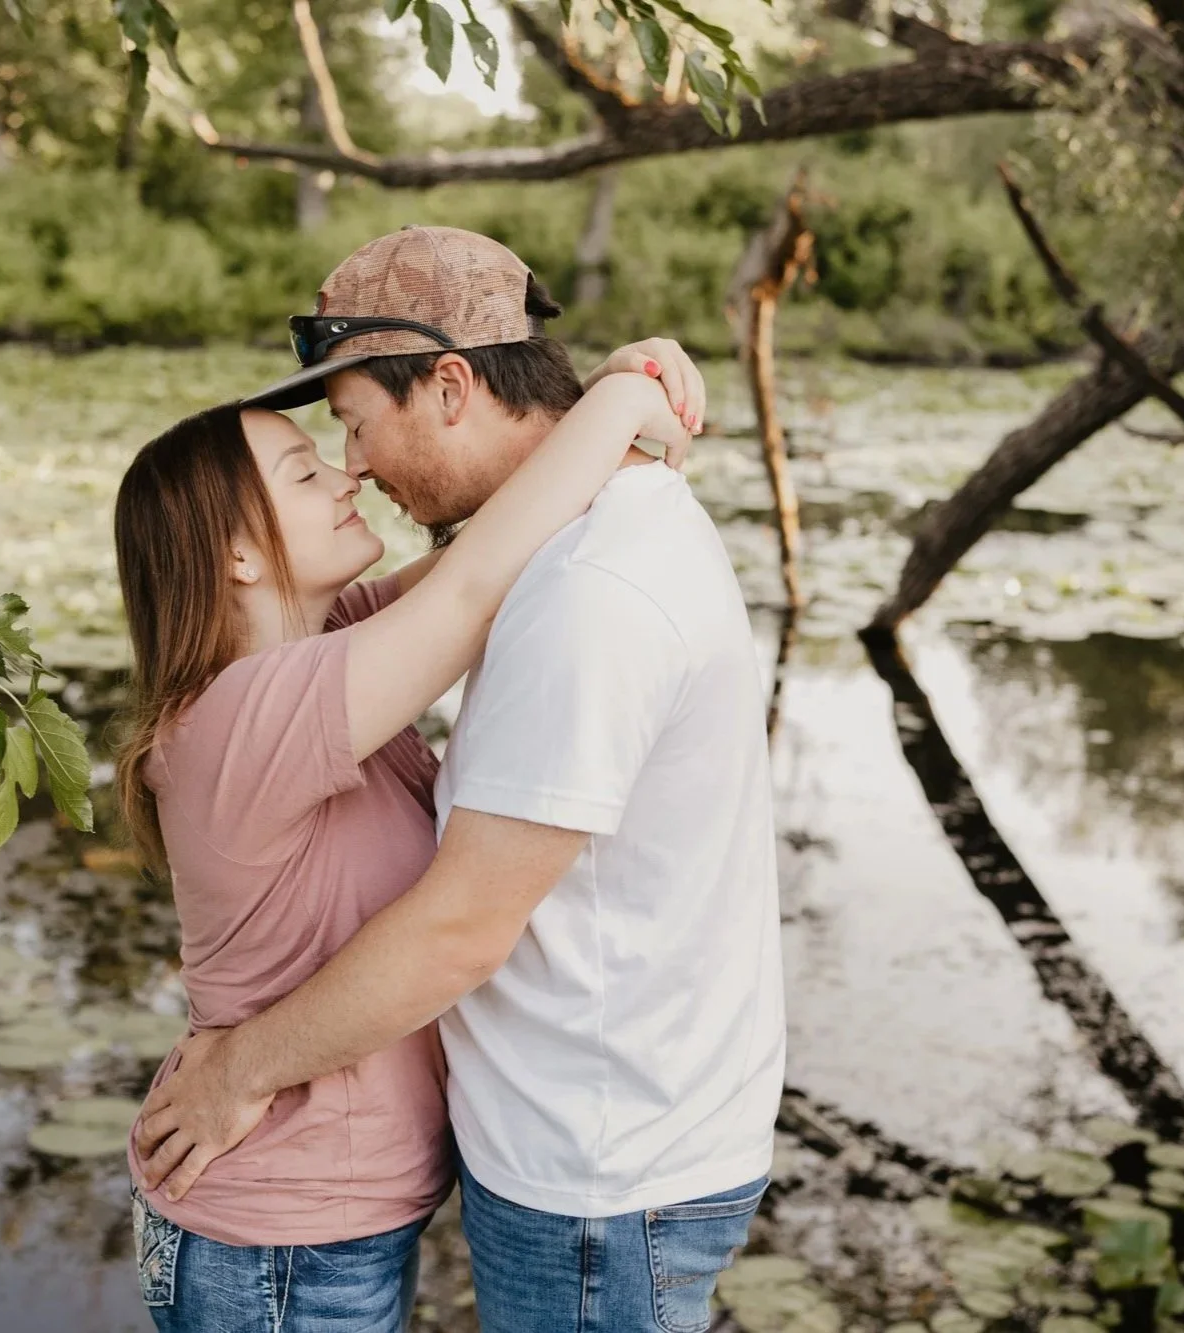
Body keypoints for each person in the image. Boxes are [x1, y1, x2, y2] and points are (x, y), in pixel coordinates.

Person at [134, 225, 786, 1333]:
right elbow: (477, 578)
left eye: (347, 428)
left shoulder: (558, 593)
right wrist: (620, 405)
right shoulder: (262, 702)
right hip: (306, 1225)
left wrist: (621, 396)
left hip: (590, 1161)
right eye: (313, 459)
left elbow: (479, 573)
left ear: (447, 385)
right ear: (238, 552)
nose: (350, 467)